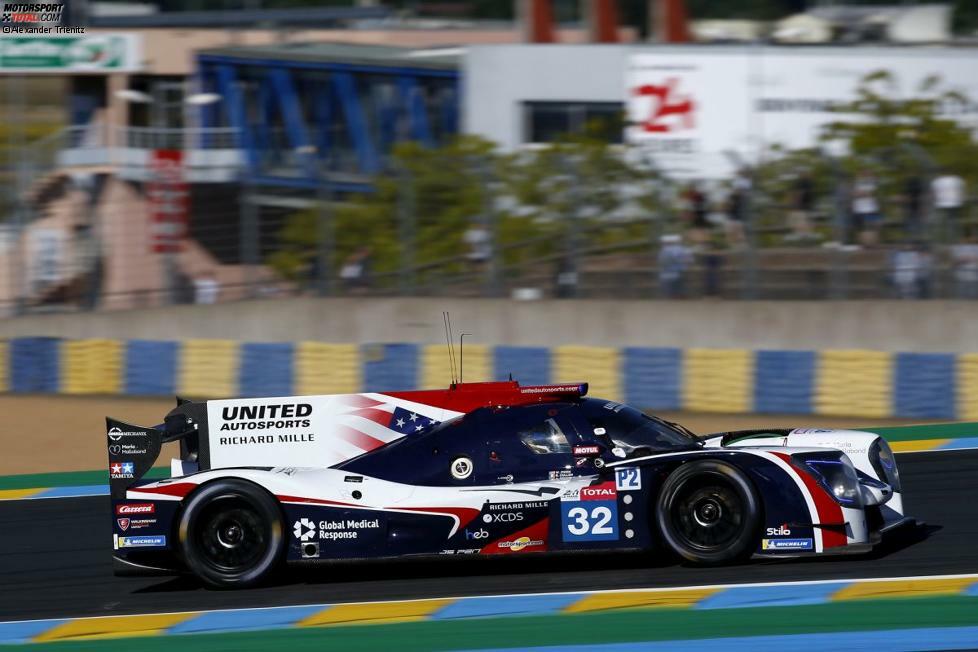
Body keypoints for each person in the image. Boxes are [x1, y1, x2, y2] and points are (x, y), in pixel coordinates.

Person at [931, 170, 965, 245]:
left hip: (940, 204)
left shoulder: (937, 181)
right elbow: (961, 192)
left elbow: (933, 194)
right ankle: (954, 239)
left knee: (941, 223)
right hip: (954, 203)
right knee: (954, 223)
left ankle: (942, 240)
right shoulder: (957, 180)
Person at [658, 234, 693, 298]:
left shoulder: (665, 250)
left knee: (678, 278)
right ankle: (678, 294)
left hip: (673, 269)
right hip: (675, 269)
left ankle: (676, 294)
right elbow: (688, 259)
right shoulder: (679, 249)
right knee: (678, 278)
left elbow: (687, 259)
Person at [851, 171, 881, 247]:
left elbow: (870, 193)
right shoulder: (857, 184)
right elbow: (854, 194)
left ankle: (871, 244)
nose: (863, 175)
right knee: (860, 228)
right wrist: (860, 193)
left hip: (870, 209)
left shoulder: (871, 183)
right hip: (858, 210)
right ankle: (862, 245)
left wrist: (861, 193)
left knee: (871, 227)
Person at [786, 172, 815, 241]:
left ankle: (803, 236)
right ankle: (804, 235)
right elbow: (801, 193)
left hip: (803, 206)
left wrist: (796, 203)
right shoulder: (806, 183)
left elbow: (800, 193)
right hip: (806, 205)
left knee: (801, 220)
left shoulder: (804, 183)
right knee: (803, 220)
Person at [951, 227, 978, 299]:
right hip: (961, 278)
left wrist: (966, 259)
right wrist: (965, 259)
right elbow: (955, 262)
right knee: (961, 298)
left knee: (973, 299)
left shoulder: (976, 247)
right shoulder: (958, 247)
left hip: (974, 278)